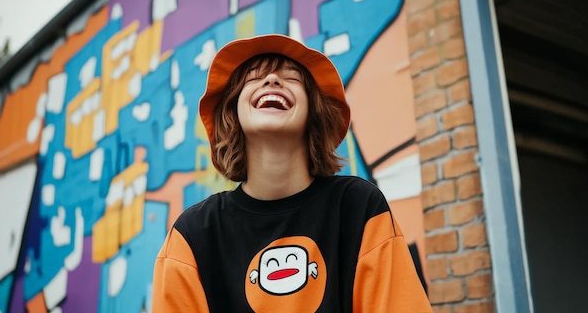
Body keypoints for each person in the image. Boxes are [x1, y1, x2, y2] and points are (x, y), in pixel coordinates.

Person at [151, 34, 433, 312]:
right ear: (232, 113)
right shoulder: (193, 235)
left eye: (293, 78)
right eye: (253, 77)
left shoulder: (358, 208)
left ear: (314, 112)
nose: (272, 80)